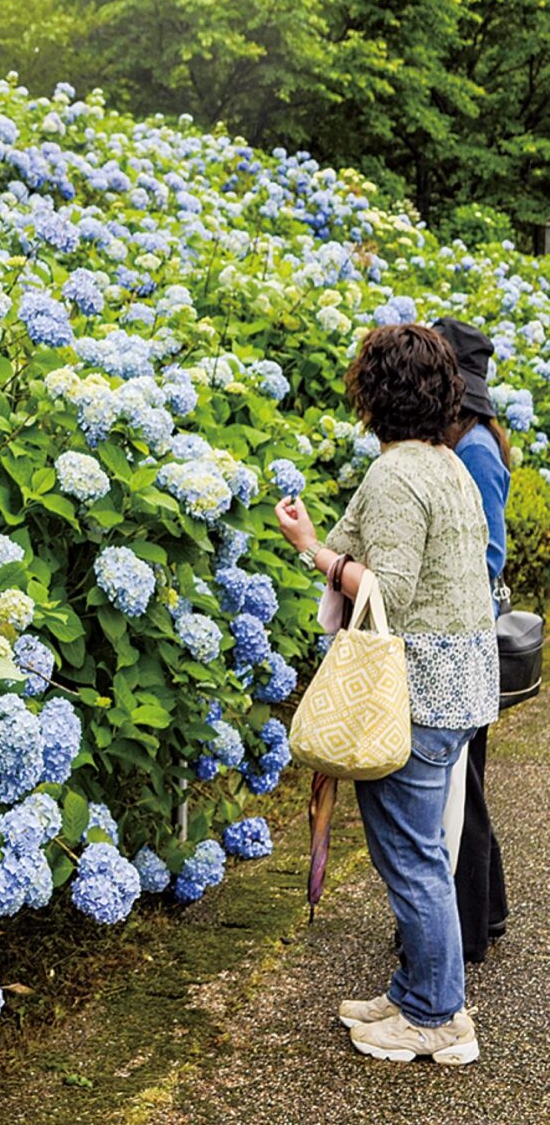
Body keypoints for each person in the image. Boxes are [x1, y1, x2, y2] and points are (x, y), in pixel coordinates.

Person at [274, 323, 499, 1065]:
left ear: (374, 393)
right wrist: (322, 540)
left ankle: (435, 1016)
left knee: (411, 856)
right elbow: (368, 547)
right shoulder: (447, 465)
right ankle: (418, 991)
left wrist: (310, 552)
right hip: (460, 680)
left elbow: (387, 590)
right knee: (421, 850)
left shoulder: (399, 475)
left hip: (419, 690)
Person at [435, 316, 511, 963]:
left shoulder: (476, 452)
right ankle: (487, 913)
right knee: (471, 783)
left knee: (467, 790)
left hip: (468, 638)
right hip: (470, 636)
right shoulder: (474, 441)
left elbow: (488, 556)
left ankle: (470, 924)